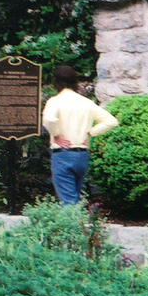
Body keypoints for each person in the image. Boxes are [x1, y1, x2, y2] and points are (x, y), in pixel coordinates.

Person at [42, 66, 119, 206]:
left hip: (62, 154)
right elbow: (111, 121)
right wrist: (90, 132)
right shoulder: (87, 103)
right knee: (74, 197)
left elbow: (48, 120)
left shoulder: (55, 101)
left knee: (68, 202)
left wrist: (57, 134)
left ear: (56, 82)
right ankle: (79, 224)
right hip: (82, 155)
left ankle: (73, 227)